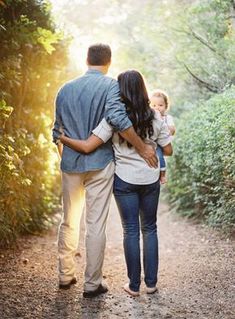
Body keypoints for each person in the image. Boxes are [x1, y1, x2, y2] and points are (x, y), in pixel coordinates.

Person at [52, 44, 157, 298]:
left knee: (69, 219)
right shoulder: (112, 87)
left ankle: (65, 276)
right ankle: (92, 283)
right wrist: (143, 148)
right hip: (100, 164)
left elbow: (57, 132)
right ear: (109, 62)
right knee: (95, 223)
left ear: (86, 59)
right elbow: (119, 120)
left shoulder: (64, 89)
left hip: (71, 164)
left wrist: (66, 158)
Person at [150, 90, 176, 184]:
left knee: (160, 156)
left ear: (166, 106)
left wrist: (162, 126)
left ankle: (162, 175)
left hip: (161, 143)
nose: (157, 108)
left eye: (160, 105)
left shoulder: (167, 118)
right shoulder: (149, 117)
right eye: (154, 105)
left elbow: (172, 130)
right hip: (151, 142)